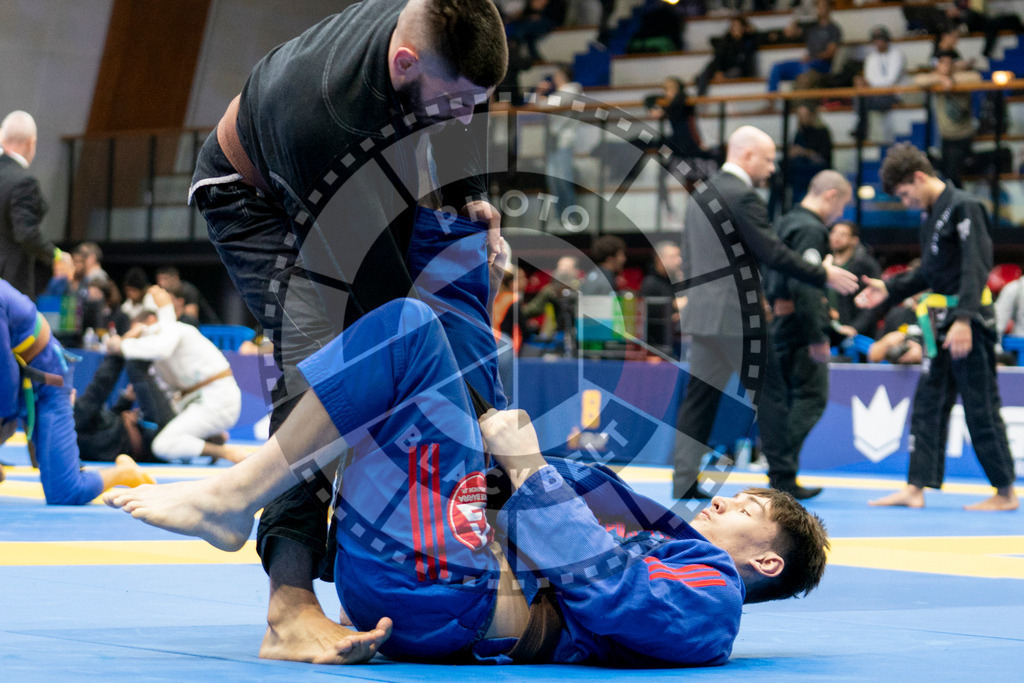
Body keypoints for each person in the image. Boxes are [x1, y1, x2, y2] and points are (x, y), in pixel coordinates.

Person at [103, 220, 829, 667]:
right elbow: (551, 503)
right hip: (448, 553)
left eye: (749, 504)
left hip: (454, 593)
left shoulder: (714, 601)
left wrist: (527, 466)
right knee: (456, 257)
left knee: (410, 332)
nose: (730, 497)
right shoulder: (664, 533)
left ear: (765, 557)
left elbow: (617, 593)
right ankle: (463, 224)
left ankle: (236, 498)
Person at [188, 0, 508, 662]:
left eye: (479, 101)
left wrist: (471, 193)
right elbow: (388, 326)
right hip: (255, 201)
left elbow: (452, 110)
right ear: (404, 63)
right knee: (327, 364)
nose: (468, 117)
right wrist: (480, 434)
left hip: (357, 169)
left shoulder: (433, 28)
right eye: (458, 100)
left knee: (445, 272)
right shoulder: (326, 117)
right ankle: (288, 604)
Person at [674, 125, 858, 500]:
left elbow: (691, 256)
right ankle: (783, 481)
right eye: (769, 159)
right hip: (737, 315)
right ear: (747, 156)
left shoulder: (700, 193)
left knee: (699, 397)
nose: (773, 168)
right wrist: (823, 273)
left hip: (704, 312)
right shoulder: (742, 196)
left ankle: (683, 480)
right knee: (771, 395)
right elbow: (772, 252)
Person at [855, 143, 1017, 511]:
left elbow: (977, 266)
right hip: (940, 325)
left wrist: (964, 320)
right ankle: (916, 488)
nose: (905, 201)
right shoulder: (931, 216)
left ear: (919, 177)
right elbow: (930, 273)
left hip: (969, 324)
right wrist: (888, 288)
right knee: (928, 404)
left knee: (980, 406)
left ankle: (1005, 492)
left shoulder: (964, 206)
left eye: (904, 193)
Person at [1, 278, 154, 504]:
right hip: (15, 378)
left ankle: (124, 473)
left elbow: (6, 380)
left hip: (46, 381)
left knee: (65, 493)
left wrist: (4, 423)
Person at [763, 170, 853, 499]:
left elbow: (775, 271)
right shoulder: (811, 229)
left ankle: (780, 471)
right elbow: (804, 282)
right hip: (799, 329)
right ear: (830, 194)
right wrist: (818, 335)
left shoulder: (785, 222)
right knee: (811, 398)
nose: (840, 213)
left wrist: (776, 301)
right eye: (841, 204)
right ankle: (782, 470)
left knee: (785, 400)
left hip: (780, 321)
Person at [105, 286, 247, 464]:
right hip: (196, 400)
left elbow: (160, 348)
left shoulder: (176, 331)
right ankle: (210, 438)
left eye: (139, 329)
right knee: (166, 430)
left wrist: (121, 345)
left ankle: (222, 451)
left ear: (150, 320)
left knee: (162, 445)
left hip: (217, 400)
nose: (138, 335)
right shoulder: (156, 345)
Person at [0, 111, 65, 300]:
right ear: (31, 143)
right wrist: (57, 255)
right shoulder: (24, 181)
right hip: (9, 286)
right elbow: (26, 233)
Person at [914, 50, 980, 189]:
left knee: (952, 173)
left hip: (963, 136)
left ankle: (959, 202)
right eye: (942, 63)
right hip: (946, 137)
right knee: (942, 170)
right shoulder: (936, 80)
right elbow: (918, 80)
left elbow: (976, 77)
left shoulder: (962, 77)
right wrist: (941, 79)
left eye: (950, 63)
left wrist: (953, 80)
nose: (946, 66)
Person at [766, 0, 841, 93]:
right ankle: (770, 105)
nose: (820, 9)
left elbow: (830, 53)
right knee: (776, 68)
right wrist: (796, 16)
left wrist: (812, 57)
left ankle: (798, 105)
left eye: (823, 6)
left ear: (830, 8)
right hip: (807, 63)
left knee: (804, 71)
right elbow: (790, 32)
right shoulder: (811, 27)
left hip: (821, 65)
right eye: (818, 6)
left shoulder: (834, 29)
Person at [537, 64, 583, 211]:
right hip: (553, 141)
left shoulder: (571, 90)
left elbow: (544, 105)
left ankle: (570, 216)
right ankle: (560, 218)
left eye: (557, 75)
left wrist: (540, 93)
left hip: (563, 141)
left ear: (563, 76)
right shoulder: (561, 92)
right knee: (553, 181)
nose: (555, 78)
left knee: (563, 180)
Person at [828, 220, 882, 339]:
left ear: (854, 240)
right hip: (829, 329)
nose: (836, 237)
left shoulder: (866, 266)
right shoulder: (824, 263)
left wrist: (855, 327)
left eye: (843, 234)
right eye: (834, 233)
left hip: (856, 332)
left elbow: (872, 303)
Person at [853, 26, 906, 143]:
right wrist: (868, 84)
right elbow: (869, 78)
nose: (878, 42)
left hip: (893, 94)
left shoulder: (897, 55)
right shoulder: (871, 58)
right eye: (876, 40)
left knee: (864, 98)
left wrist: (870, 84)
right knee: (859, 95)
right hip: (875, 94)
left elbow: (891, 80)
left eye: (881, 39)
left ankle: (861, 128)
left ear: (887, 40)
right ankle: (861, 127)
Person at [696, 15, 759, 96]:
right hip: (722, 67)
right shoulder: (725, 40)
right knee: (707, 71)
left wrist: (750, 31)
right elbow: (718, 56)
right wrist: (719, 71)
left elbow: (758, 39)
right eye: (733, 26)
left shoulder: (747, 41)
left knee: (736, 72)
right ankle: (701, 96)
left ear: (743, 28)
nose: (735, 29)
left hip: (735, 69)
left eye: (738, 26)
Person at [640, 241, 685, 354]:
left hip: (678, 344)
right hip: (657, 348)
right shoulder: (650, 283)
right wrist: (674, 306)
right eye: (672, 256)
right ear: (660, 258)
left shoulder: (676, 282)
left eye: (679, 256)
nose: (678, 260)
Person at [788, 102, 833, 203]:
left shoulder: (822, 132)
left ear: (812, 115)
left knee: (800, 174)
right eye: (799, 116)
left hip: (816, 169)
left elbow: (823, 157)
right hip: (800, 170)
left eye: (804, 115)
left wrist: (804, 152)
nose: (802, 118)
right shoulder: (800, 132)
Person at [155, 266, 219, 325]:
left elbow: (191, 315)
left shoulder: (188, 290)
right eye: (159, 279)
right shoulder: (159, 292)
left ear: (176, 278)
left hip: (208, 326)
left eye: (165, 279)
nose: (161, 283)